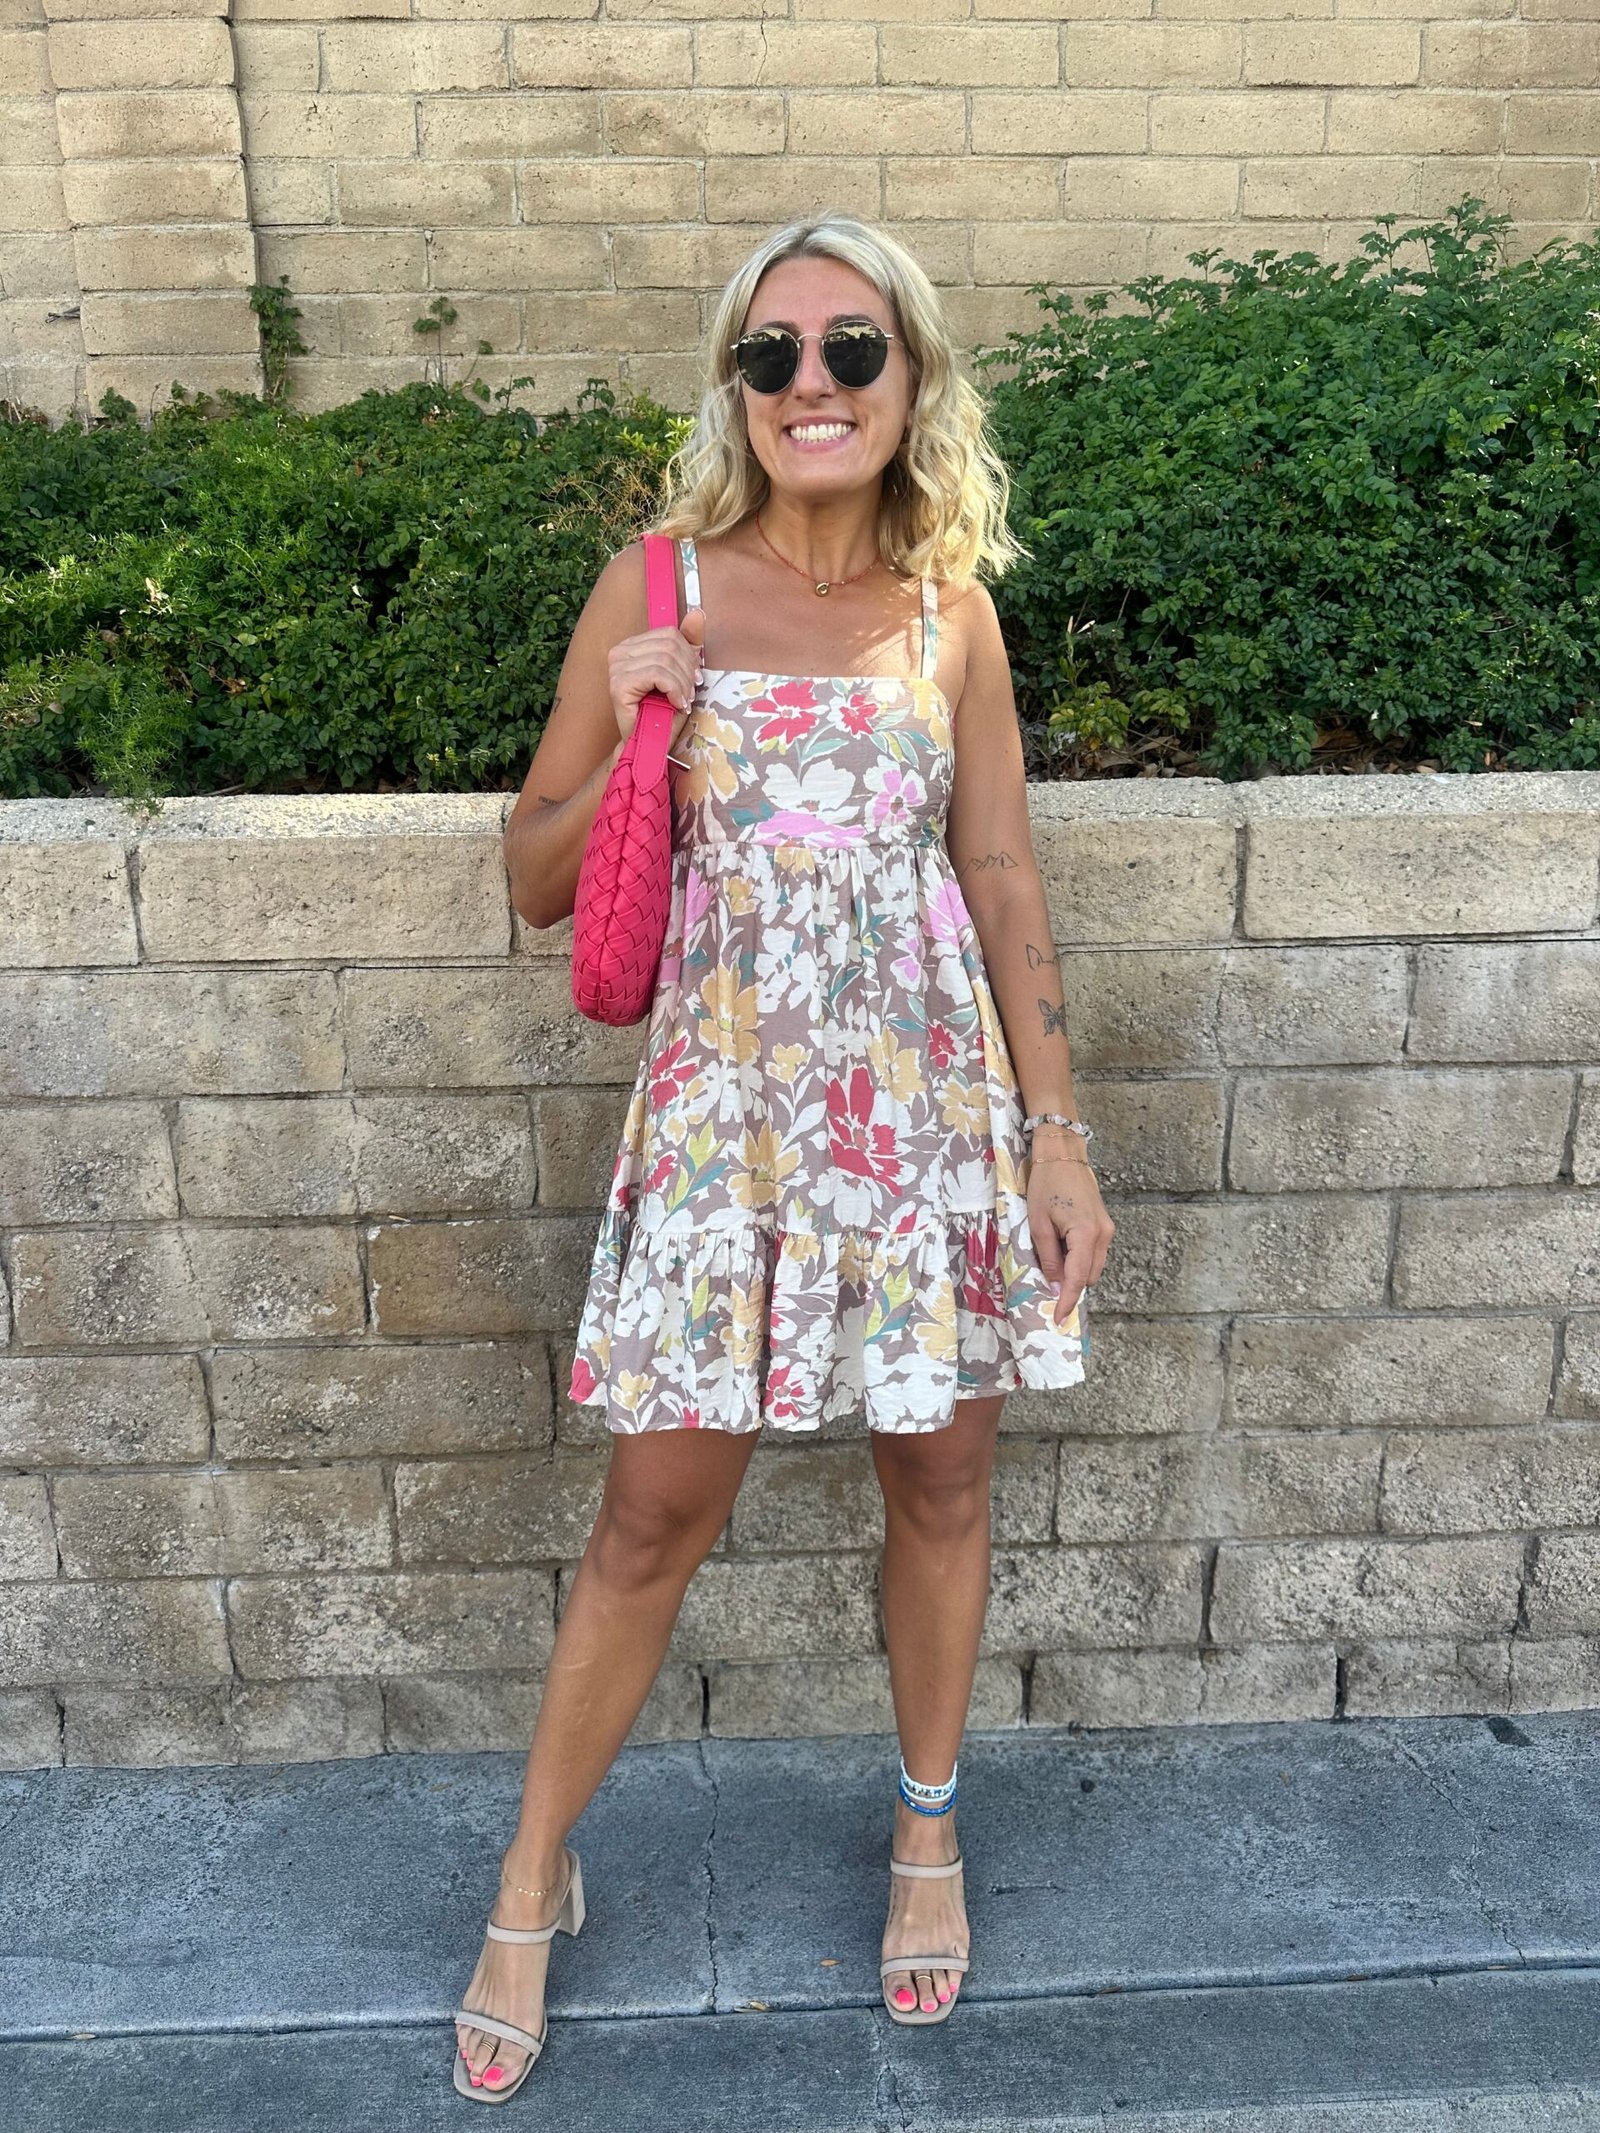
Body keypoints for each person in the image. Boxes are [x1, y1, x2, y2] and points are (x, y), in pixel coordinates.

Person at [454, 211, 1116, 2101]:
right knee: (649, 1515)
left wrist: (1056, 1135)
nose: (809, 382)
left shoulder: (949, 614)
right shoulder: (654, 582)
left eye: (850, 349)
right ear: (735, 389)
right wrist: (635, 726)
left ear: (912, 380)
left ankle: (927, 1825)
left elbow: (999, 870)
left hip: (924, 1120)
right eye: (772, 354)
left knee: (943, 1480)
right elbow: (530, 877)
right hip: (725, 1128)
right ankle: (532, 1874)